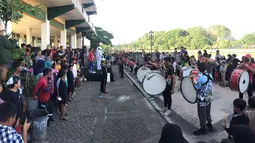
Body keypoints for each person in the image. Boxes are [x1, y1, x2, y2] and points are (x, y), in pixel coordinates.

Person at [193, 62, 213, 135]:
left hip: (202, 99)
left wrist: (193, 81)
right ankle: (209, 124)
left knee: (202, 114)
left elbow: (197, 87)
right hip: (209, 97)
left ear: (199, 69)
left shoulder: (200, 78)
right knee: (208, 112)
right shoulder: (209, 75)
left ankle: (203, 129)